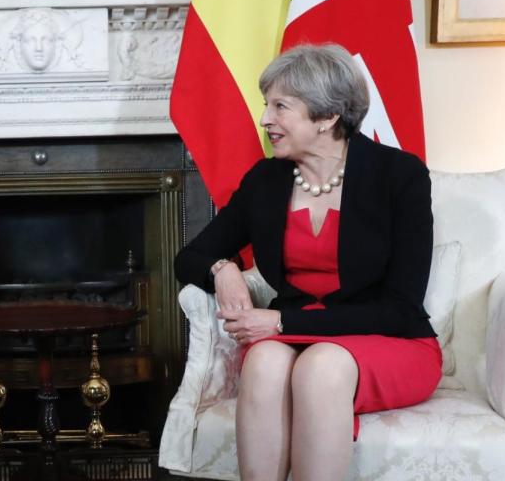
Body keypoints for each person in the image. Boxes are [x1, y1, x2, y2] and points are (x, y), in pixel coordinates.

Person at [175, 44, 440, 481]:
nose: (265, 120)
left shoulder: (400, 176)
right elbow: (190, 257)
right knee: (261, 363)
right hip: (301, 332)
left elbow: (399, 306)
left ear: (326, 117)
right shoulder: (265, 180)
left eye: (280, 107)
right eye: (267, 106)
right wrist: (223, 271)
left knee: (321, 365)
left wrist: (279, 323)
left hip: (389, 339)